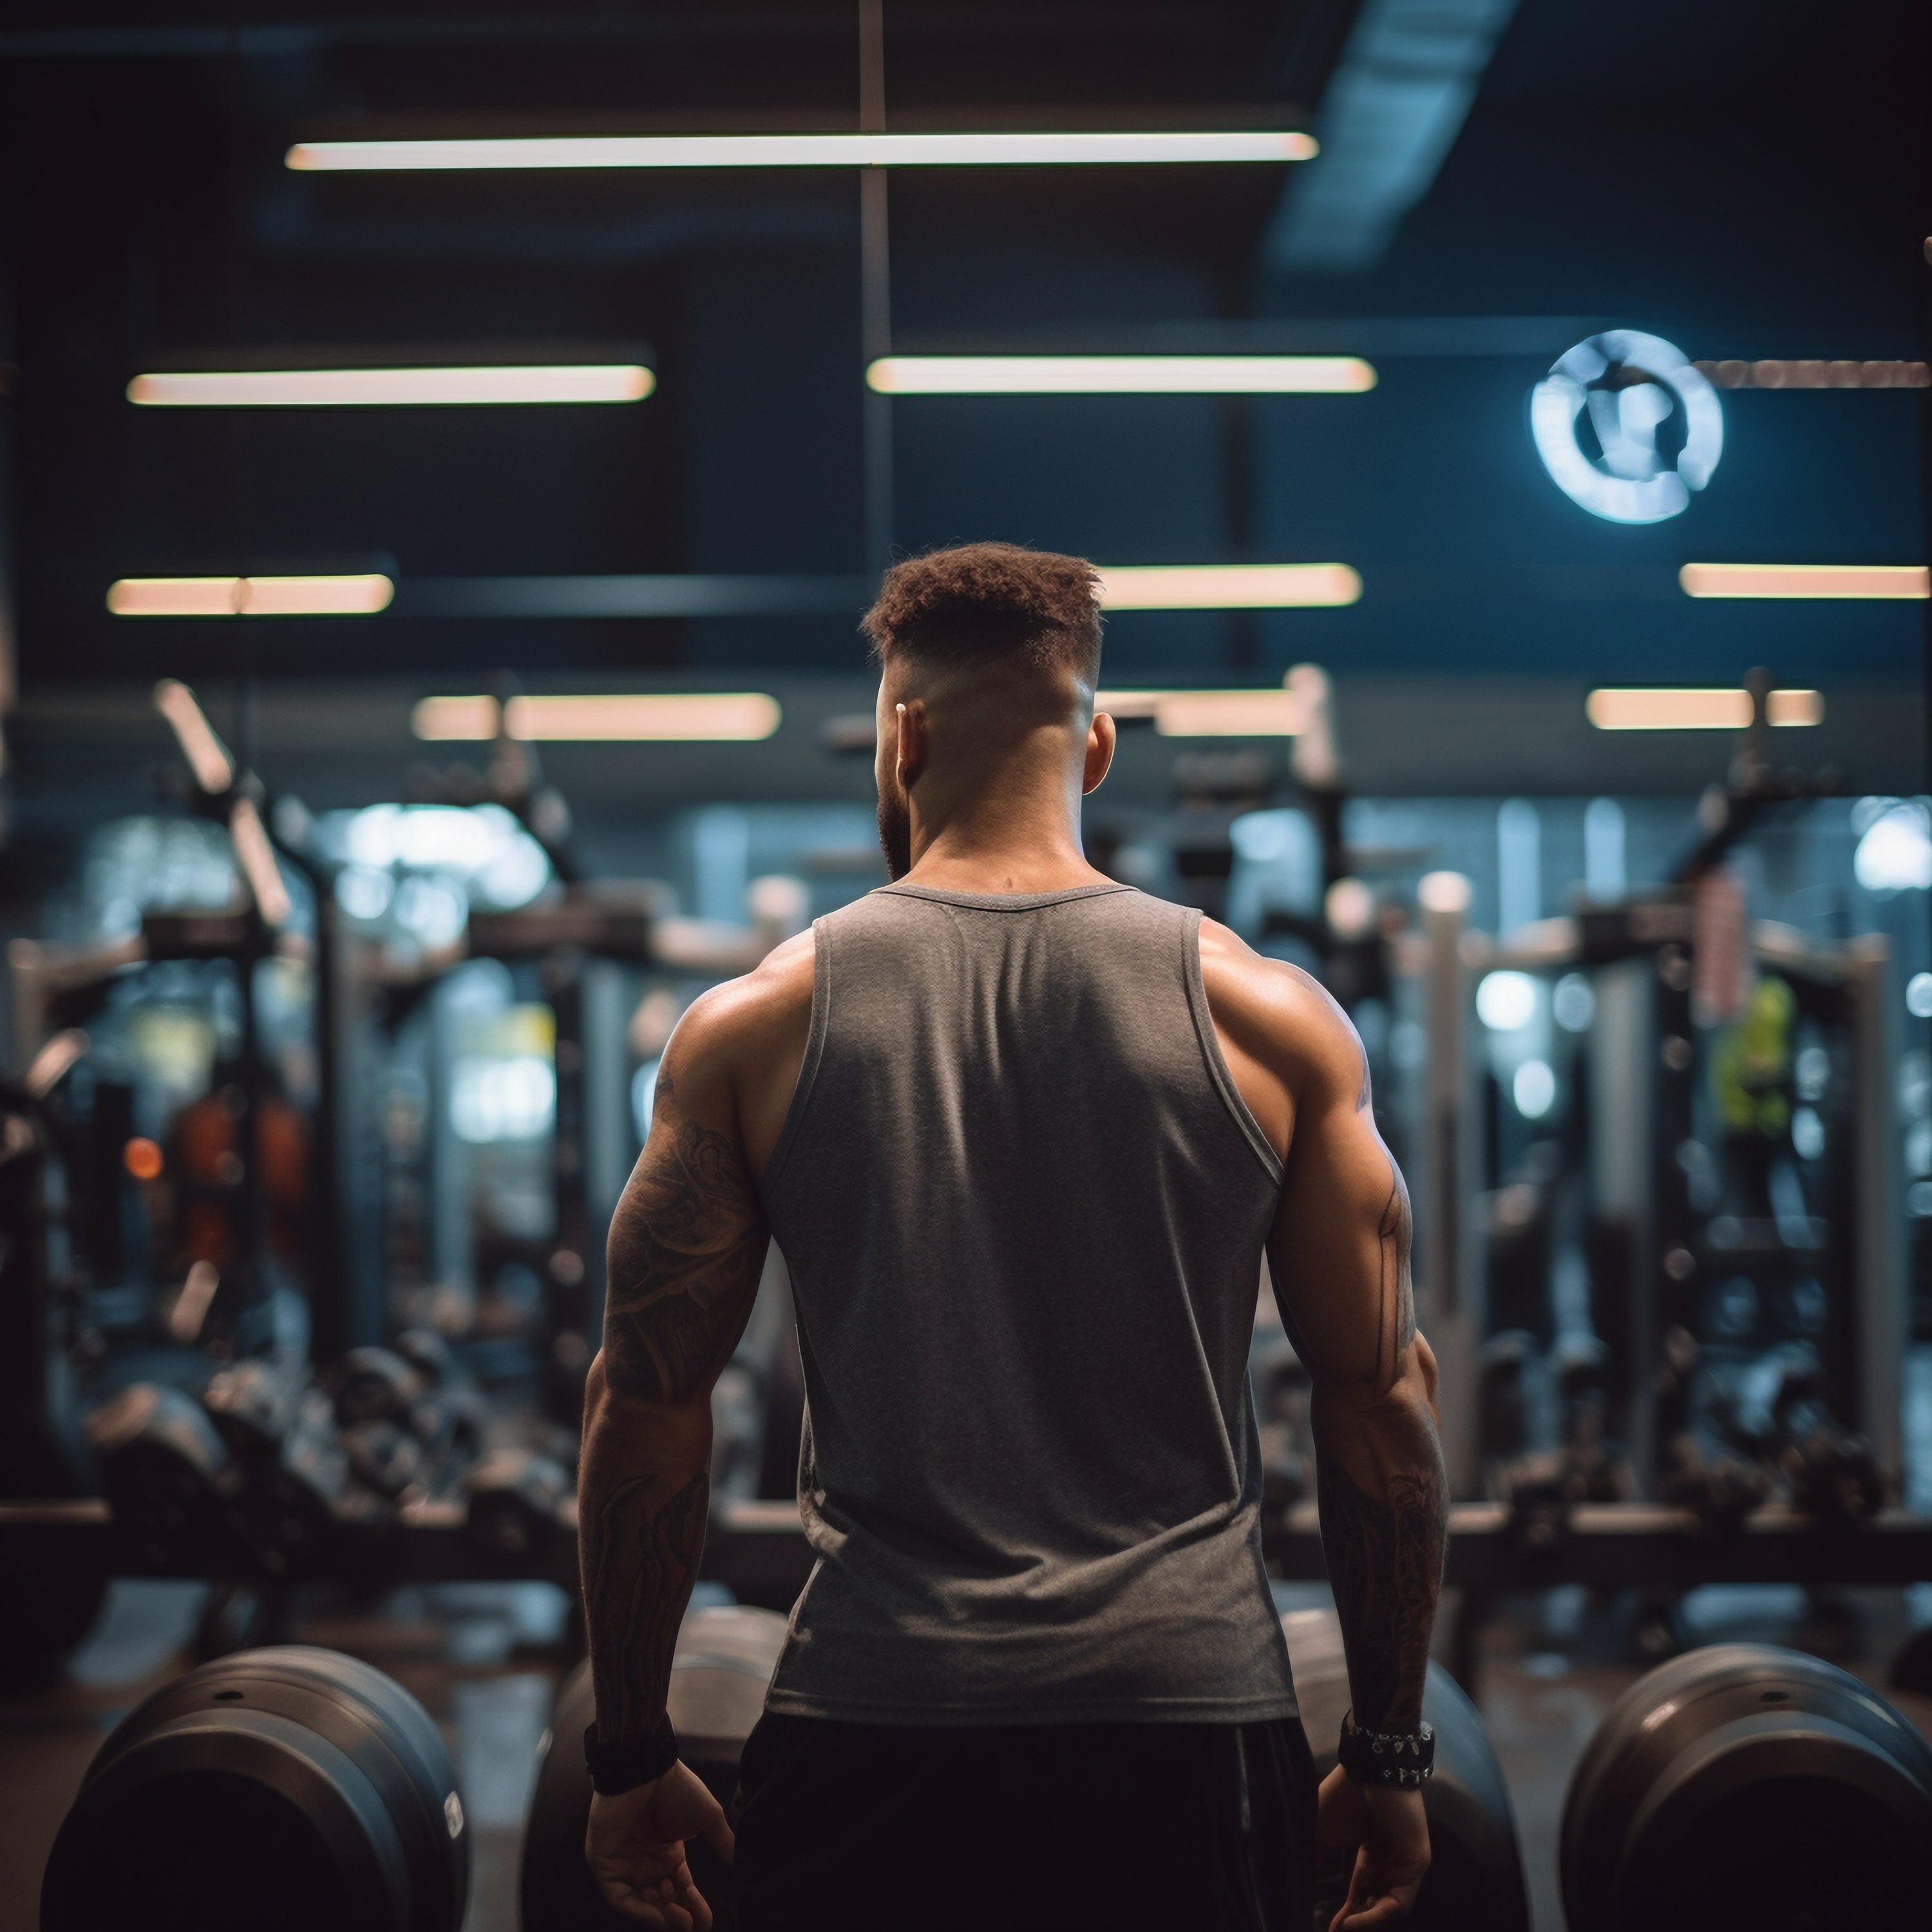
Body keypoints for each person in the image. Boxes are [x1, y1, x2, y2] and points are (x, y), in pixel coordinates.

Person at [575, 542, 1448, 1931]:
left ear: (899, 736)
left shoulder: (751, 1027)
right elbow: (1384, 1407)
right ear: (1095, 744)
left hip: (872, 1720)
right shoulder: (1271, 1020)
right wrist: (1391, 1752)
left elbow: (648, 1406)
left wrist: (627, 1753)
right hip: (1188, 1726)